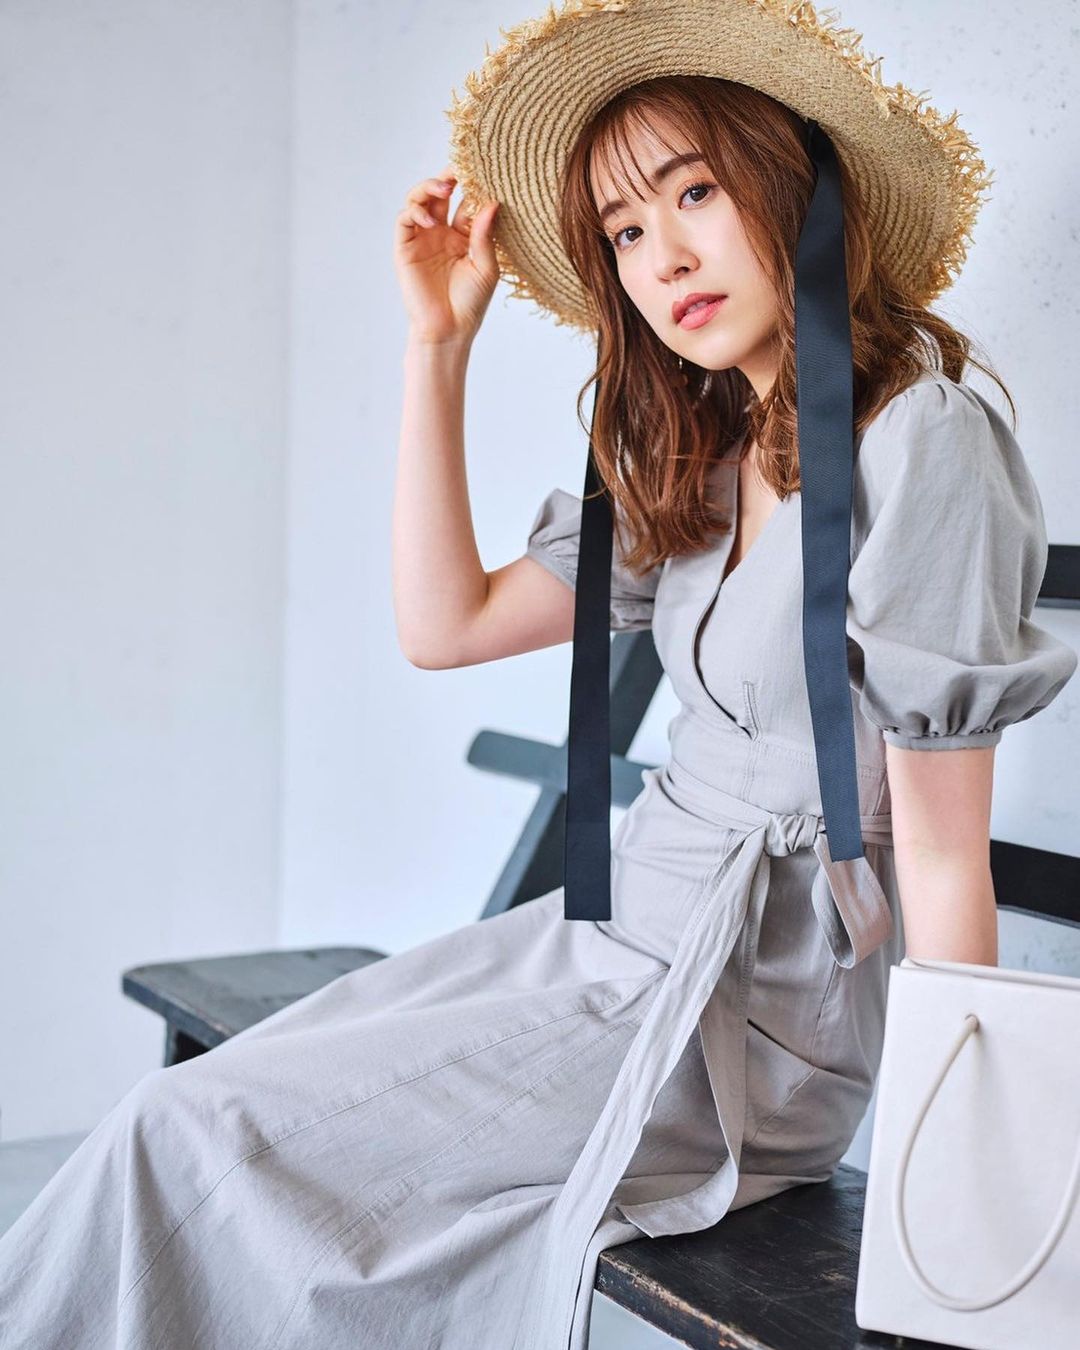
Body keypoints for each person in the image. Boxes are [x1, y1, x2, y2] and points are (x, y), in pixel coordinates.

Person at [0, 3, 1076, 1348]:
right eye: (623, 230)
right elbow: (444, 625)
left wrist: (954, 1189)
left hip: (741, 1027)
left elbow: (943, 851)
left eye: (695, 192)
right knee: (197, 1113)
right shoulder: (706, 445)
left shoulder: (923, 441)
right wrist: (437, 347)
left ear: (794, 190)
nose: (662, 256)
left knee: (199, 1131)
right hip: (593, 944)